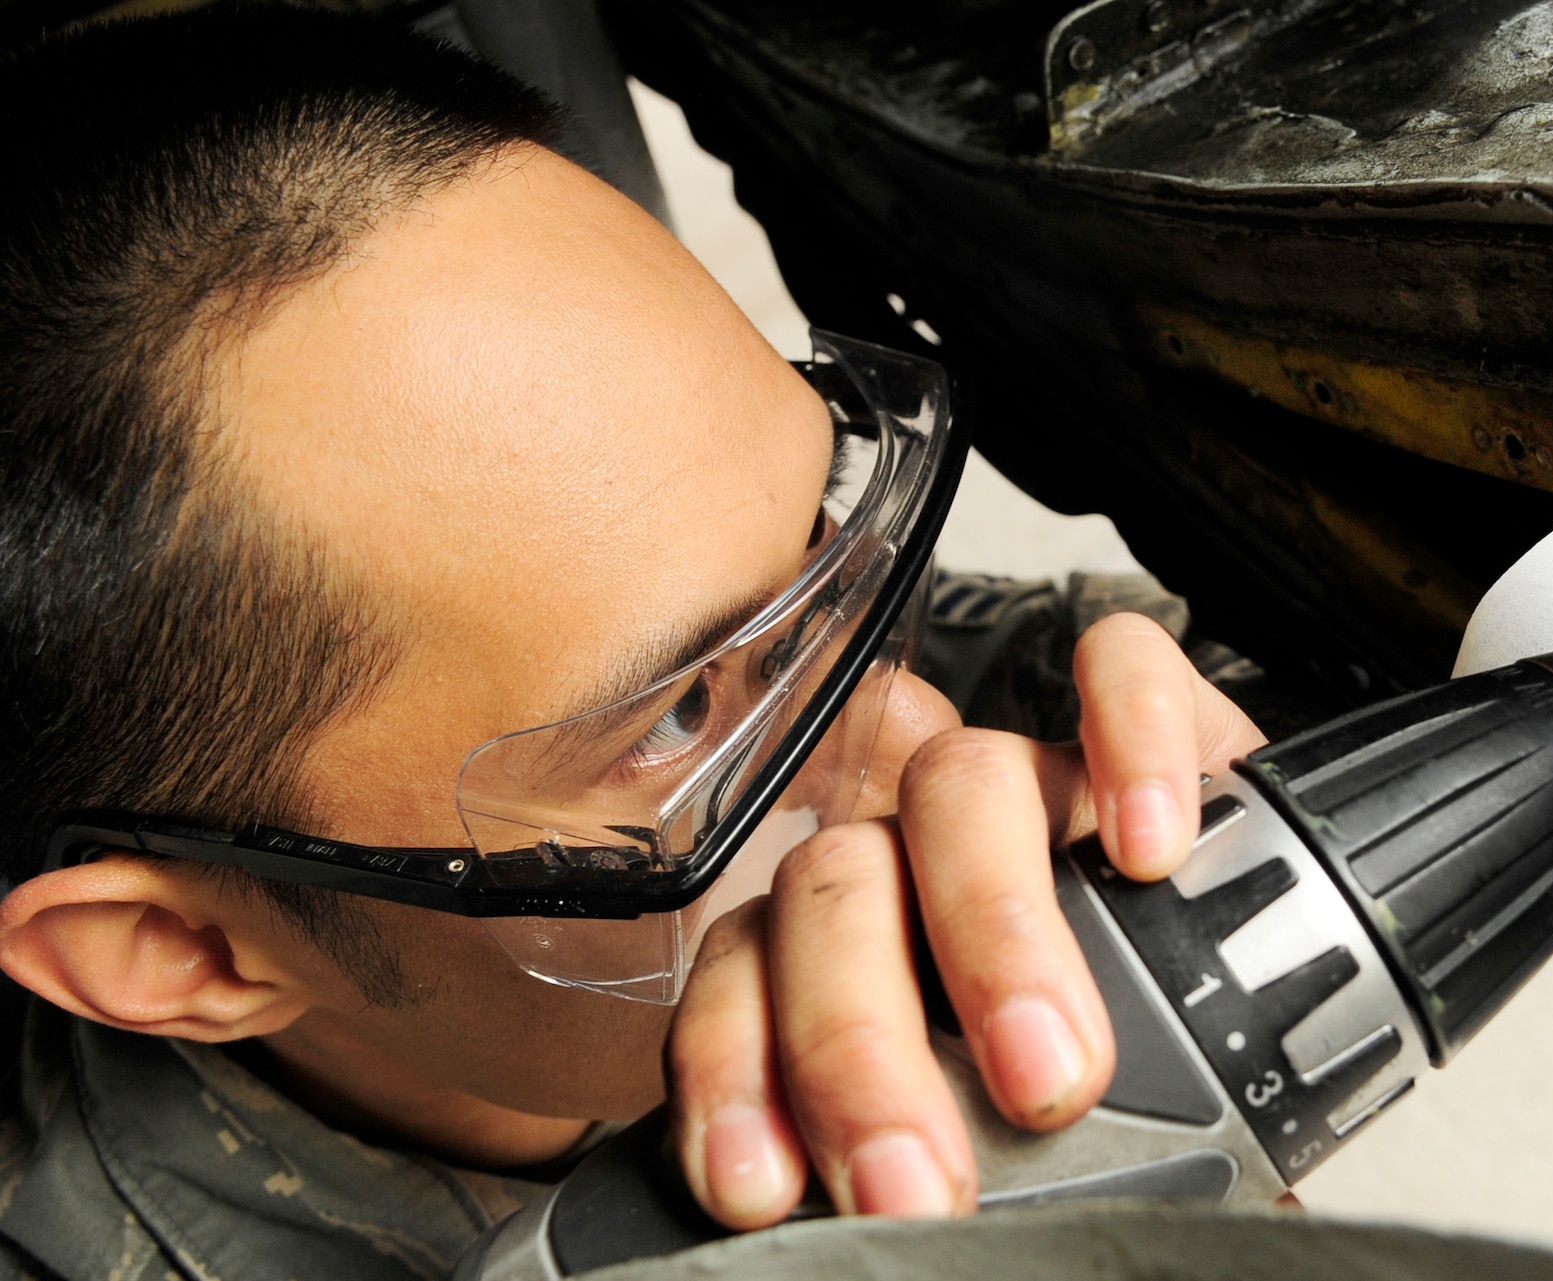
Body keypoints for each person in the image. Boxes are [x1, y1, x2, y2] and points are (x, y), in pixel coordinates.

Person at [0, 9, 1264, 1279]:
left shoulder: (943, 701)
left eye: (823, 533)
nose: (928, 738)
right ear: (185, 952)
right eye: (675, 717)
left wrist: (1239, 802)